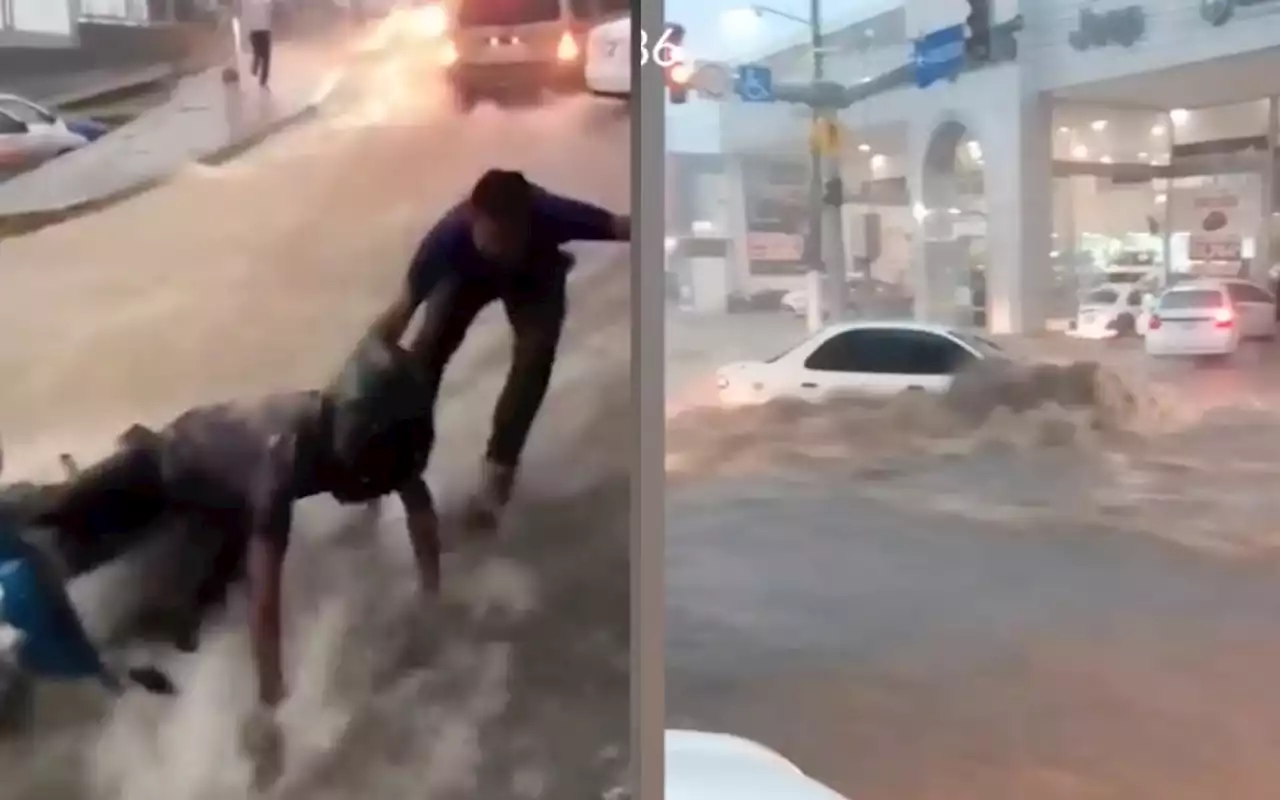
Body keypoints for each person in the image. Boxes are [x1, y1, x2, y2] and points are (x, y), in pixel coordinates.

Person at [23, 345, 439, 711]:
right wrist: (273, 707)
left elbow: (418, 503)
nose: (380, 485)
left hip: (229, 509)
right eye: (376, 472)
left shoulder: (381, 438)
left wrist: (433, 596)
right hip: (165, 469)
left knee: (187, 628)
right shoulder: (285, 463)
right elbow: (266, 603)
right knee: (54, 512)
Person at [370, 169, 630, 529]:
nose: (502, 249)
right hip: (466, 278)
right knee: (423, 359)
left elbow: (623, 226)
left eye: (511, 238)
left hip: (534, 278)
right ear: (474, 219)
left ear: (528, 223)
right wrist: (358, 382)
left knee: (533, 361)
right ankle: (387, 463)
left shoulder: (550, 214)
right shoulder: (447, 239)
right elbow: (398, 317)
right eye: (494, 238)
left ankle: (495, 483)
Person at [241, 0, 275, 90]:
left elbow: (245, 13)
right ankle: (262, 81)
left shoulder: (249, 3)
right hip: (263, 30)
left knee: (257, 52)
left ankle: (254, 71)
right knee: (266, 57)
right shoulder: (265, 2)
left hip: (254, 31)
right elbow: (270, 8)